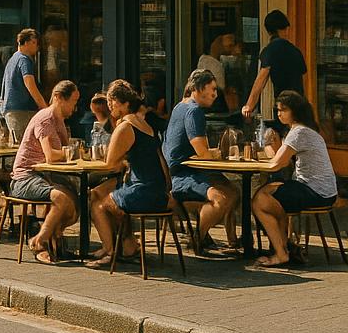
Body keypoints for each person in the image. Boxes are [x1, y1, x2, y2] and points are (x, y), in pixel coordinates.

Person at [88, 80, 170, 268]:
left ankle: (110, 252)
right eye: (109, 101)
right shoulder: (141, 122)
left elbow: (110, 163)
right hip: (156, 189)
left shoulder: (125, 126)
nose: (110, 106)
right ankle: (128, 245)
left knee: (100, 205)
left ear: (125, 104)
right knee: (98, 193)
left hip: (145, 191)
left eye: (113, 101)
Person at [252, 91, 339, 267]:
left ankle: (281, 252)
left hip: (316, 191)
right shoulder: (304, 130)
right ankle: (285, 243)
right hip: (323, 190)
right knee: (267, 192)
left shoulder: (298, 131)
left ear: (295, 111)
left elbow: (276, 164)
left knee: (259, 200)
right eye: (277, 110)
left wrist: (266, 148)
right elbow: (283, 161)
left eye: (283, 110)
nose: (279, 114)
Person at [163, 69, 237, 254]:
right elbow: (202, 153)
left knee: (234, 191)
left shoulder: (179, 106)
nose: (215, 94)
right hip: (183, 175)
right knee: (221, 199)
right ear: (199, 88)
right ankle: (198, 238)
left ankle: (233, 241)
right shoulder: (193, 111)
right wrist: (222, 153)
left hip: (183, 171)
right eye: (212, 89)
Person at [8, 80, 81, 264]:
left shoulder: (60, 121)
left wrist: (72, 151)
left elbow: (66, 150)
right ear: (58, 98)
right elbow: (50, 155)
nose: (75, 106)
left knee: (75, 207)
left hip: (45, 176)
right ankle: (39, 241)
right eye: (72, 101)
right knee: (62, 199)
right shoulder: (45, 118)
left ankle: (52, 237)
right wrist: (73, 151)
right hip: (25, 177)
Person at [242, 10, 307, 124]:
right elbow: (304, 78)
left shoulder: (269, 52)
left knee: (282, 138)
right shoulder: (296, 51)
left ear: (269, 31)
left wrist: (249, 105)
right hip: (300, 104)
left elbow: (261, 81)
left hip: (283, 106)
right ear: (285, 29)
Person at [0, 28, 47, 143]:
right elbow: (29, 83)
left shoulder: (12, 59)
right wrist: (44, 107)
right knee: (24, 146)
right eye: (35, 43)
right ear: (26, 42)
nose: (37, 47)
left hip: (9, 110)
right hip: (21, 111)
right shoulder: (24, 60)